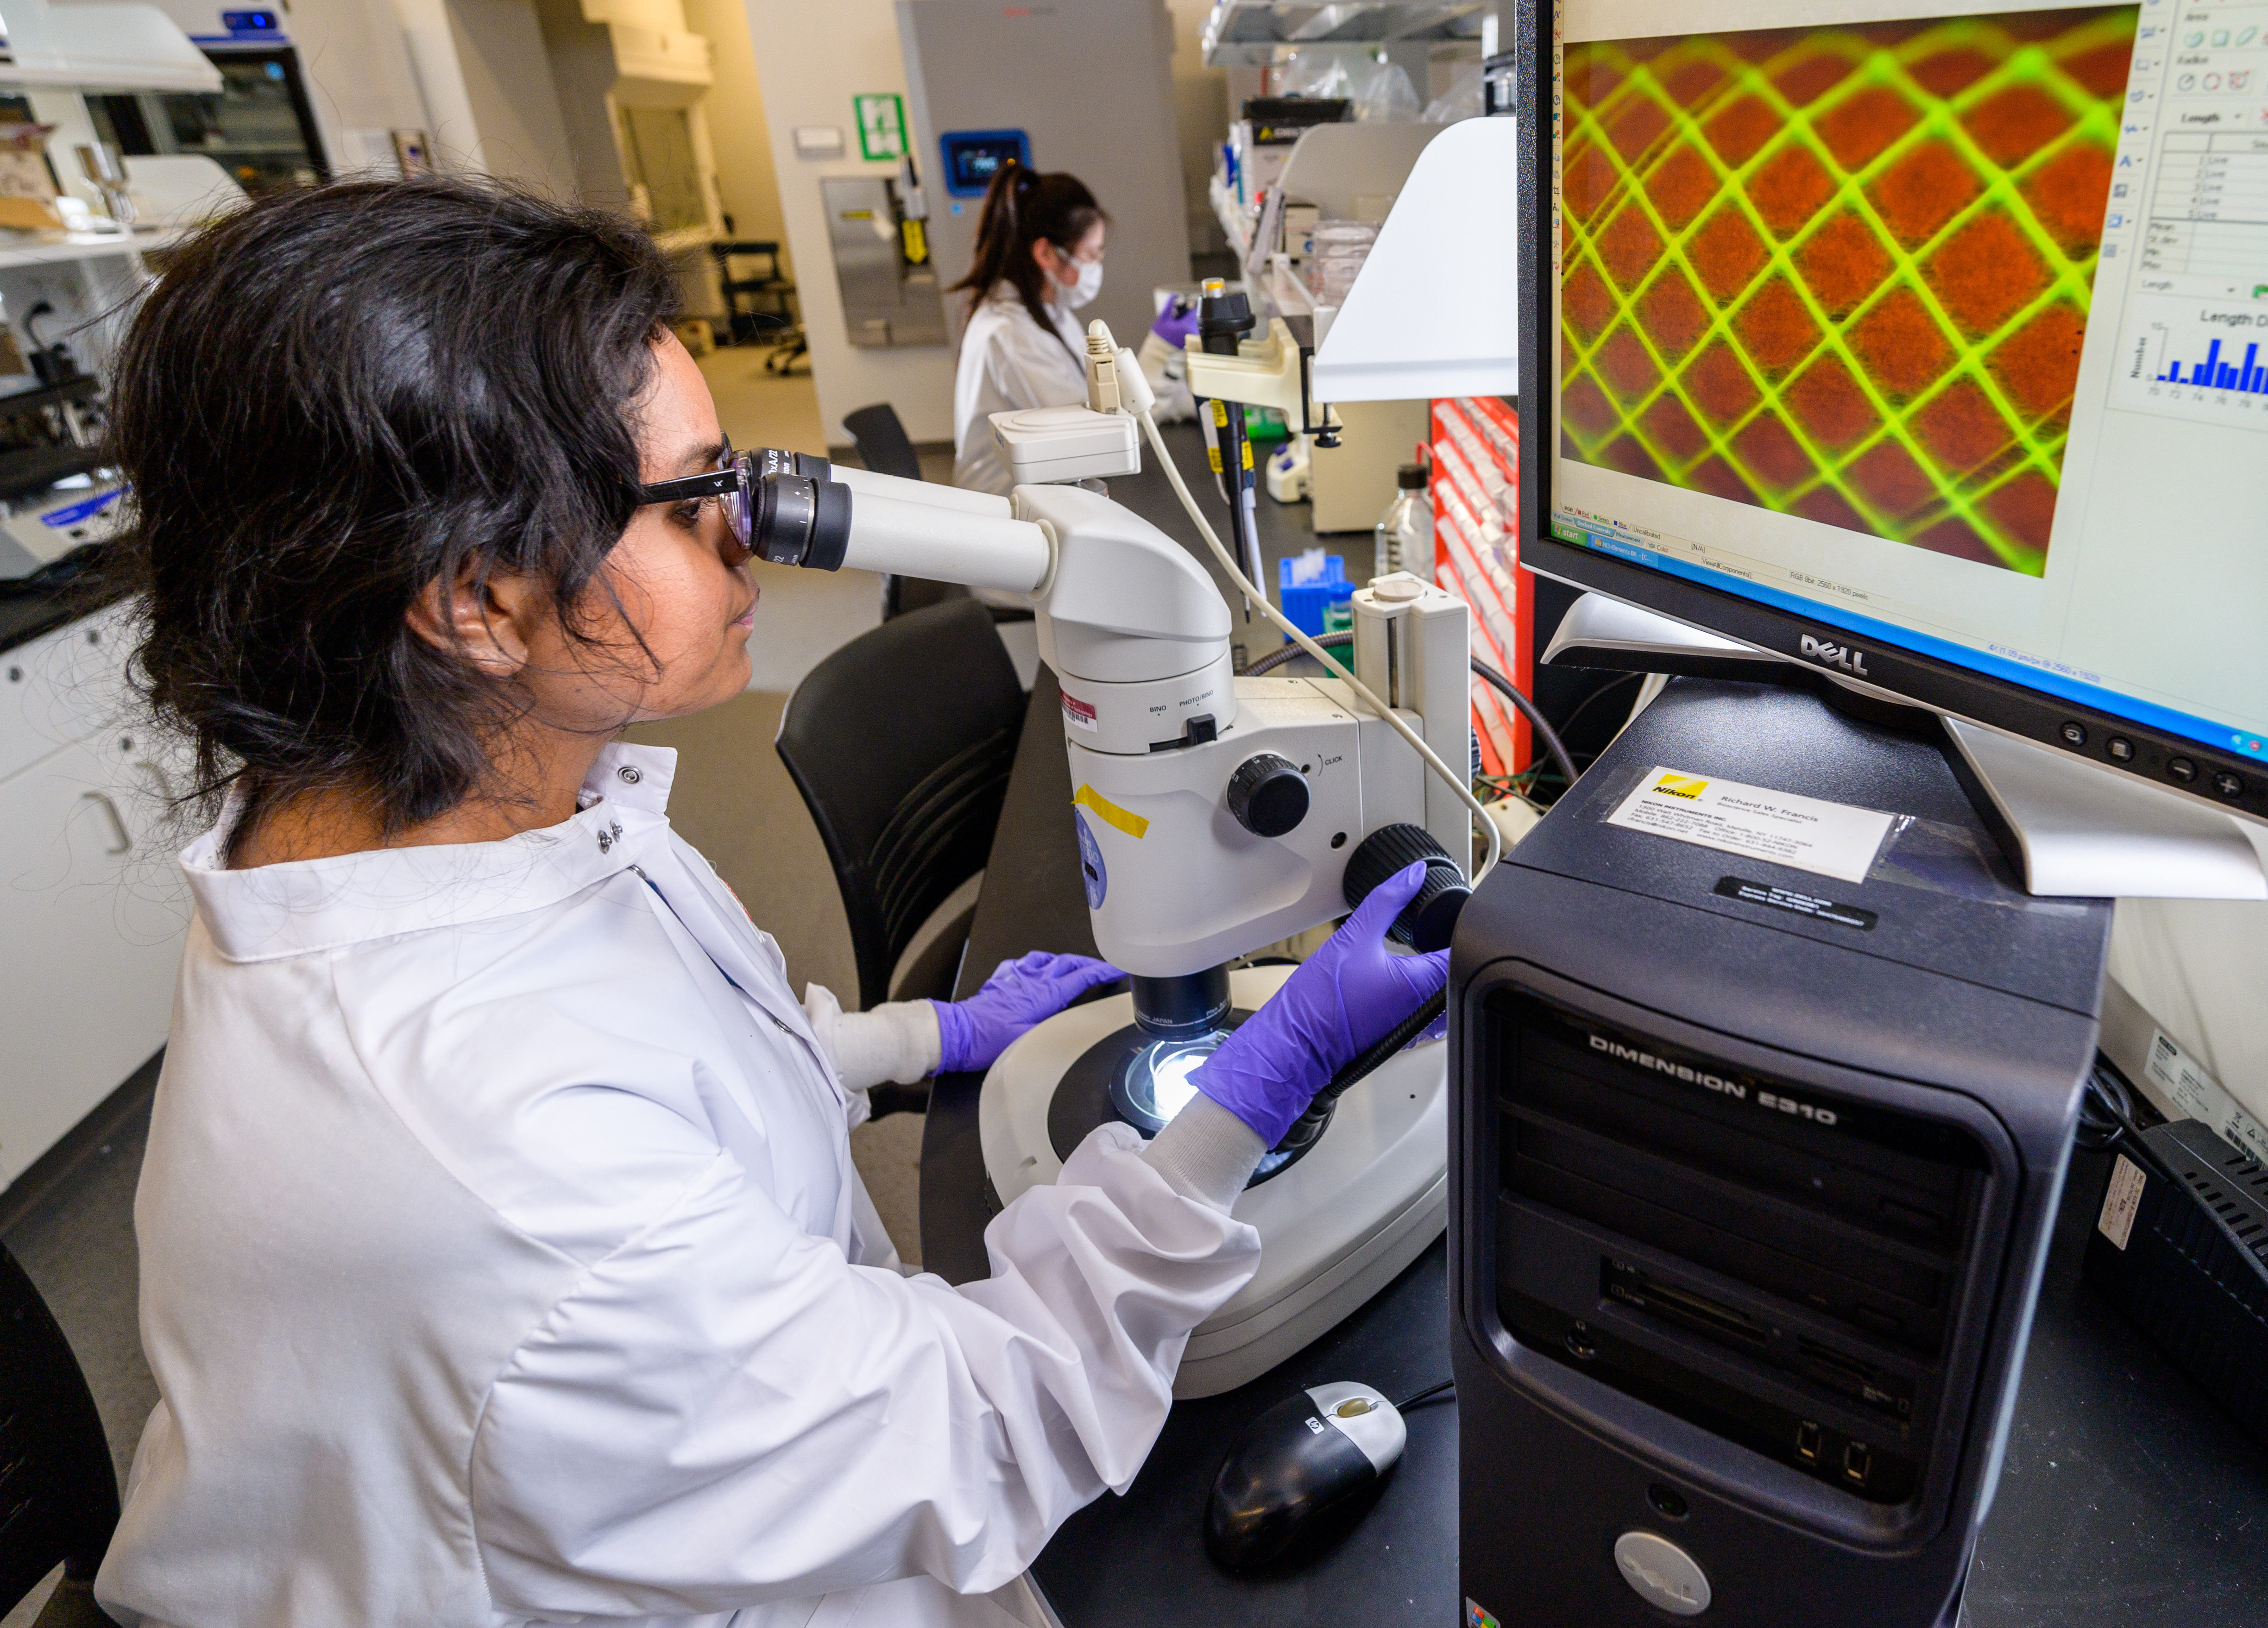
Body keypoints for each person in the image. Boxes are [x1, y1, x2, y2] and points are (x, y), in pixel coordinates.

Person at [91, 178, 1446, 1628]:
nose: (747, 534)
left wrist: (917, 1038)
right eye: (692, 499)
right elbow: (981, 1434)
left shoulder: (446, 819)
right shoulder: (495, 1163)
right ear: (478, 602)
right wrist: (1243, 1106)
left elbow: (672, 1064)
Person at [947, 161, 1189, 499]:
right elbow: (1095, 441)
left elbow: (1096, 401)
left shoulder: (1049, 313)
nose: (1097, 267)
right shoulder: (1010, 333)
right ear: (1046, 253)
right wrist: (1160, 353)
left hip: (1043, 491)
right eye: (1091, 255)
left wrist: (1182, 398)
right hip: (1001, 510)